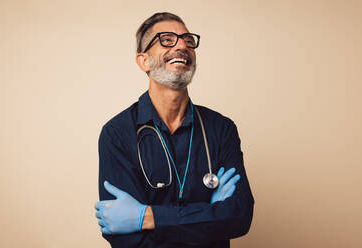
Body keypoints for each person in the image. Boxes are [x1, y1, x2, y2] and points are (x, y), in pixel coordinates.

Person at [94, 12, 254, 248]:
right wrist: (210, 214)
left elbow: (239, 217)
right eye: (167, 39)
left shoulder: (221, 128)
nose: (182, 45)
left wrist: (147, 217)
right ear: (143, 61)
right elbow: (126, 239)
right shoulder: (117, 133)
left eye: (188, 40)